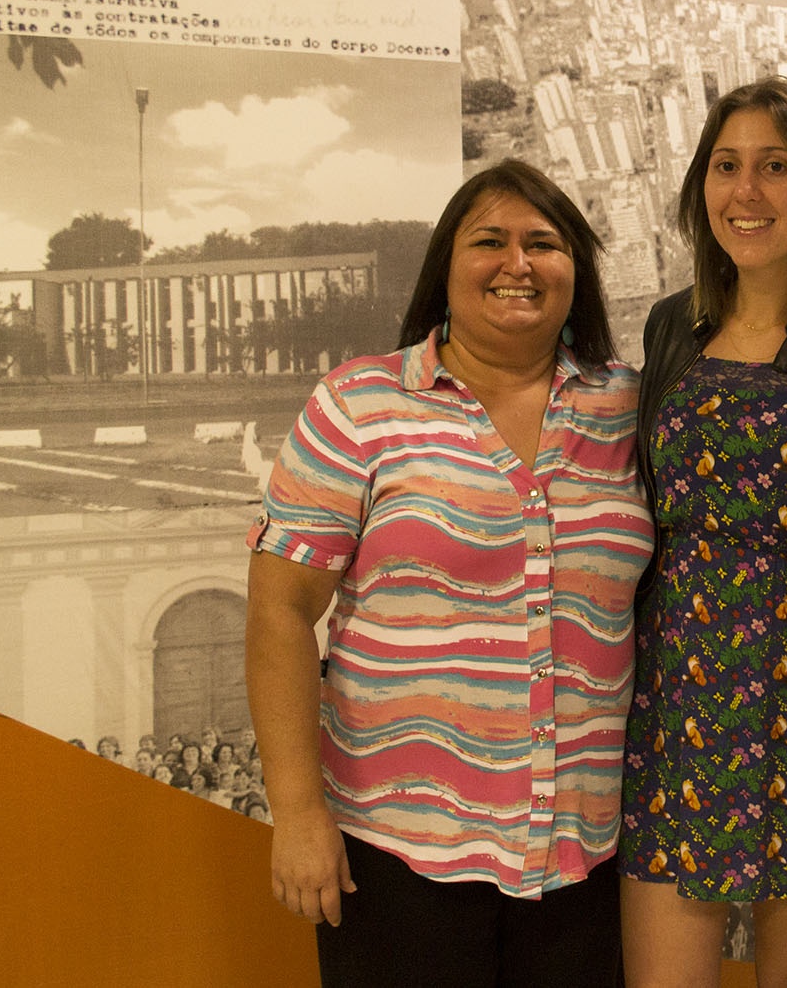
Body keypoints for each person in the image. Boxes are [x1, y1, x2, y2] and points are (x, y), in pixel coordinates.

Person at [245, 159, 654, 988]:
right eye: (490, 242)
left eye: (544, 243)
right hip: (399, 854)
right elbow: (281, 613)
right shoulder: (359, 405)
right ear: (447, 265)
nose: (519, 263)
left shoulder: (629, 409)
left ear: (578, 267)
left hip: (588, 857)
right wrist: (296, 812)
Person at [618, 77, 787, 988]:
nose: (749, 192)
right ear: (701, 188)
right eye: (727, 166)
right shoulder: (670, 330)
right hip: (676, 702)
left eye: (777, 166)